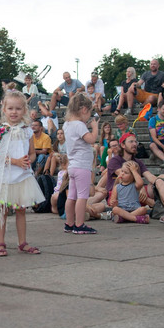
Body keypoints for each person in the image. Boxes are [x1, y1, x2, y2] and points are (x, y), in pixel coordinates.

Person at [0, 91, 44, 256]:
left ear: (24, 110)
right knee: (3, 210)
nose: (14, 112)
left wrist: (29, 160)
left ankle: (22, 242)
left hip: (22, 178)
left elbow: (32, 153)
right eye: (10, 108)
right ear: (4, 109)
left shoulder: (27, 131)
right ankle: (0, 242)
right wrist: (16, 161)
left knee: (21, 210)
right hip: (6, 177)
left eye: (18, 108)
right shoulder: (2, 131)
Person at [62, 93, 99, 234]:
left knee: (71, 196)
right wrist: (94, 127)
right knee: (82, 197)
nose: (89, 116)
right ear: (84, 109)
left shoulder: (67, 124)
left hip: (72, 166)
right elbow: (91, 139)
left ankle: (69, 223)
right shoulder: (79, 125)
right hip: (82, 166)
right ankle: (79, 224)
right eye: (89, 113)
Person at [106, 132, 157, 204]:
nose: (134, 144)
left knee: (160, 181)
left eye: (135, 142)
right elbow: (126, 177)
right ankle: (152, 204)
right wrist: (141, 187)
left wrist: (161, 182)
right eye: (131, 142)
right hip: (117, 196)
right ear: (123, 145)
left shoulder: (138, 162)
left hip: (137, 193)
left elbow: (150, 176)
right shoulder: (114, 161)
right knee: (127, 185)